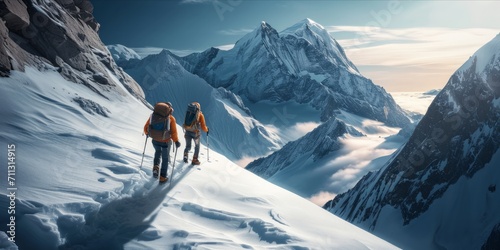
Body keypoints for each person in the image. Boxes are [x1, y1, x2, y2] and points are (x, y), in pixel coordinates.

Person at [144, 102, 181, 183]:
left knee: (157, 152)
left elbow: (146, 126)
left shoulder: (153, 116)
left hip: (155, 140)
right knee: (165, 158)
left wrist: (147, 133)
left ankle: (156, 168)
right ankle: (162, 177)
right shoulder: (171, 119)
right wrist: (176, 141)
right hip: (165, 142)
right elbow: (173, 132)